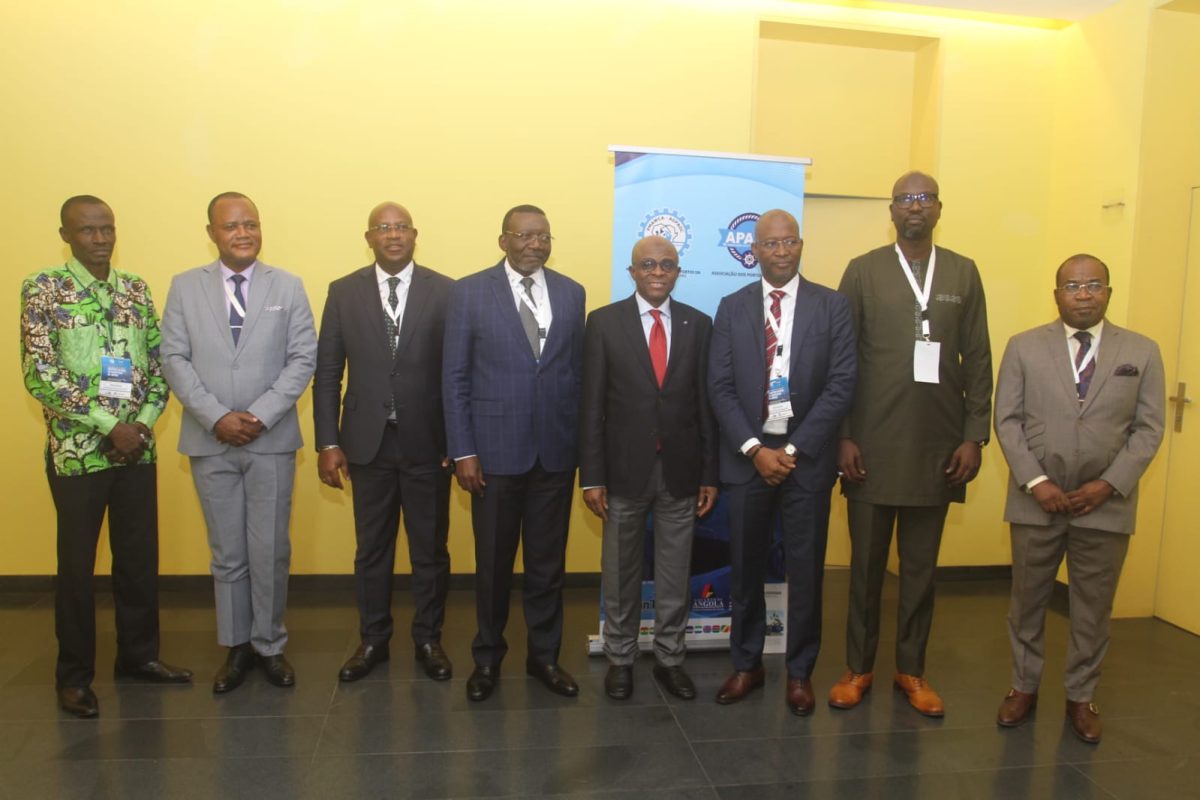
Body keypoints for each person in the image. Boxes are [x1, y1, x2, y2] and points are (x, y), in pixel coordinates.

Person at [21, 195, 192, 718]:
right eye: (87, 230)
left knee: (138, 561)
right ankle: (74, 677)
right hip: (77, 456)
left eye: (107, 229)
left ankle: (139, 657)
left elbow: (160, 365)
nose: (100, 239)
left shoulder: (134, 289)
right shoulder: (44, 289)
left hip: (137, 450)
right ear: (66, 236)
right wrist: (108, 425)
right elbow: (41, 374)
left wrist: (140, 425)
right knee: (76, 569)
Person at [832, 172, 992, 717]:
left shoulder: (964, 272)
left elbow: (979, 357)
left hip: (937, 449)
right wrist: (844, 435)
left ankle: (911, 670)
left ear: (939, 209)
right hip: (870, 448)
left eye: (924, 198)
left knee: (921, 572)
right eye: (905, 199)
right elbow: (841, 359)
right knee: (865, 571)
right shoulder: (863, 270)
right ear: (892, 211)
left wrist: (974, 435)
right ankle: (858, 668)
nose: (915, 207)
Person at [993, 254, 1164, 743]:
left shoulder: (1142, 351)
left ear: (1108, 292)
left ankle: (1081, 697)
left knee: (1092, 607)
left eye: (1093, 285)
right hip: (1035, 502)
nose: (1083, 294)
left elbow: (1149, 428)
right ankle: (1023, 687)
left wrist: (1109, 484)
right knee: (1027, 602)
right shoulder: (1024, 347)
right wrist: (1035, 481)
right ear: (1056, 294)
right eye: (1072, 286)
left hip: (1105, 505)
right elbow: (1007, 419)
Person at [161, 192, 316, 693]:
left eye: (250, 223)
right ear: (212, 233)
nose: (242, 233)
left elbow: (302, 359)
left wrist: (259, 415)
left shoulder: (287, 286)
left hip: (270, 440)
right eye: (231, 226)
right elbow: (173, 359)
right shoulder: (184, 287)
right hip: (211, 441)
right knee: (227, 551)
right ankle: (236, 646)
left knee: (269, 549)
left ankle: (269, 644)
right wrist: (217, 417)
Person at [707, 209, 857, 715]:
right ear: (754, 251)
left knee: (806, 571)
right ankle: (746, 665)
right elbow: (719, 386)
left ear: (800, 245)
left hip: (805, 460)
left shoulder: (832, 306)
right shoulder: (731, 308)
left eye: (789, 241)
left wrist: (791, 451)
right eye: (770, 243)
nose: (781, 251)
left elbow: (842, 383)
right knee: (745, 568)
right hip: (748, 458)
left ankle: (799, 673)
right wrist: (755, 449)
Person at [443, 204, 585, 702]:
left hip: (555, 452)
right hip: (493, 454)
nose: (534, 244)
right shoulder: (469, 291)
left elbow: (574, 374)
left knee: (548, 566)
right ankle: (487, 659)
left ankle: (544, 657)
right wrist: (463, 449)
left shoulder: (572, 293)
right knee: (493, 566)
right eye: (524, 235)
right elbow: (454, 377)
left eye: (543, 236)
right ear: (503, 240)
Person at [313, 202, 455, 683]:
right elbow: (327, 374)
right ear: (369, 237)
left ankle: (429, 638)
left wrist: (457, 442)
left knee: (429, 550)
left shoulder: (446, 291)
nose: (393, 235)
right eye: (383, 228)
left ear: (414, 234)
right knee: (372, 549)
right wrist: (327, 442)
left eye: (401, 227)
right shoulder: (343, 291)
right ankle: (373, 638)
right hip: (366, 444)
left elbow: (456, 374)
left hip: (428, 443)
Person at [579, 235, 719, 701]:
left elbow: (705, 406)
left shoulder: (698, 324)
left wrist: (709, 474)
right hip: (623, 470)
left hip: (681, 469)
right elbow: (591, 406)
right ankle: (620, 658)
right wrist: (592, 476)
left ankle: (670, 658)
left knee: (675, 573)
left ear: (677, 272)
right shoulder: (603, 323)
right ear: (632, 271)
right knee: (621, 571)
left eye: (667, 264)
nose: (658, 272)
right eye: (648, 264)